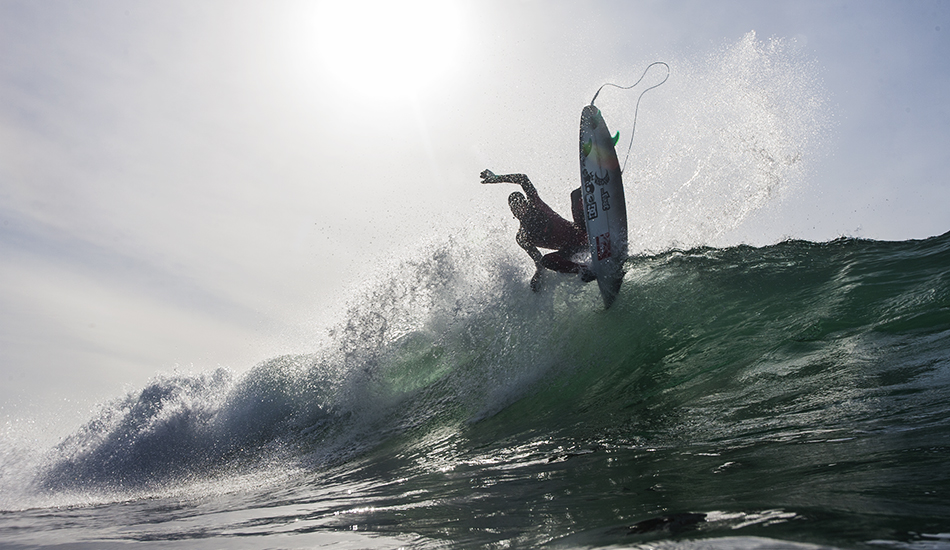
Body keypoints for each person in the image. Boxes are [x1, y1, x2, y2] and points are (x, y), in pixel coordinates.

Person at [480, 169, 596, 291]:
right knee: (546, 260)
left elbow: (522, 178)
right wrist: (538, 276)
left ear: (526, 204)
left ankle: (596, 180)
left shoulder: (536, 204)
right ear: (512, 212)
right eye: (514, 207)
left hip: (581, 231)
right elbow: (539, 263)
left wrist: (496, 178)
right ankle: (585, 270)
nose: (518, 208)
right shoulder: (522, 237)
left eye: (520, 203)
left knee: (575, 195)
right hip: (572, 249)